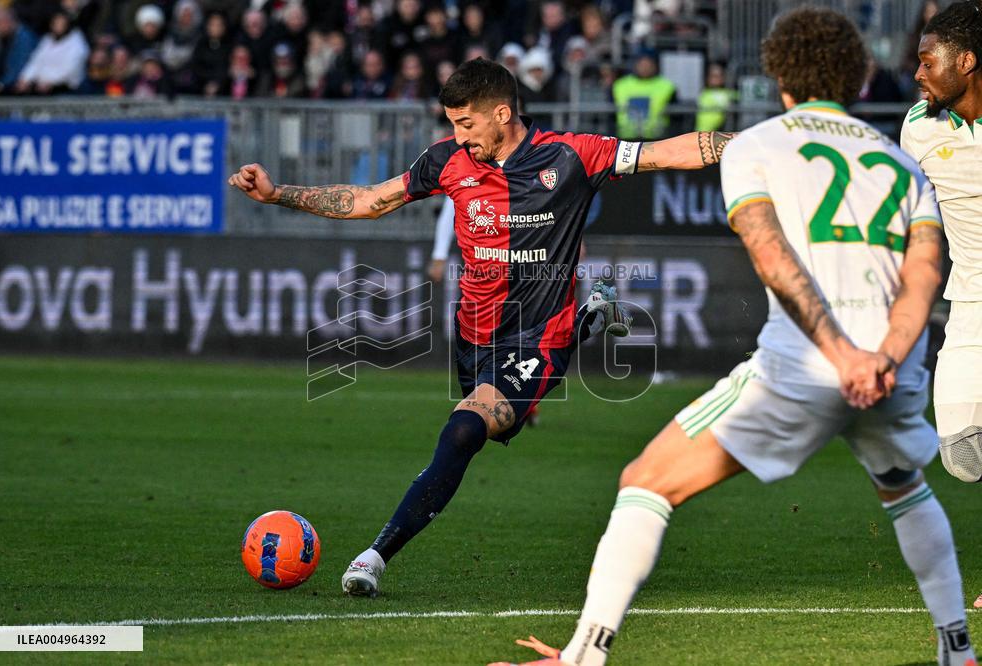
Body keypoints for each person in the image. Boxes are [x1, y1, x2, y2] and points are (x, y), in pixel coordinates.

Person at [490, 8, 975, 666]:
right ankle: (957, 648)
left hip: (806, 365)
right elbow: (923, 274)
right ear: (856, 78)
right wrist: (884, 358)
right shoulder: (899, 159)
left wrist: (840, 357)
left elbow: (772, 259)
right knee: (903, 484)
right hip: (893, 366)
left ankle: (582, 654)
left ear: (778, 74)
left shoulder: (756, 146)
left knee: (645, 482)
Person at [228, 56, 733, 598]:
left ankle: (375, 556)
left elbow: (664, 152)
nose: (457, 136)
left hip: (539, 333)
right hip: (474, 334)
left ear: (502, 112)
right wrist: (279, 194)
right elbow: (372, 200)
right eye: (451, 124)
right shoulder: (447, 161)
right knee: (474, 421)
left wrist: (752, 145)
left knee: (464, 430)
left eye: (465, 124)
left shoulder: (570, 155)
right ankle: (595, 316)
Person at [900, 0, 982, 604]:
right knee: (960, 452)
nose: (919, 74)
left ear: (968, 62)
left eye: (928, 63)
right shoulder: (919, 128)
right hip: (971, 305)